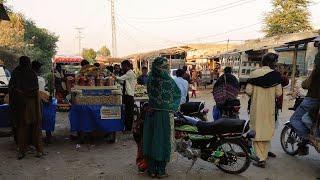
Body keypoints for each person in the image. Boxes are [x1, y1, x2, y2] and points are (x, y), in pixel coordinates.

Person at [143, 57, 181, 178]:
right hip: (164, 115)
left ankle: (151, 169)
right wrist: (171, 106)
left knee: (151, 139)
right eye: (165, 67)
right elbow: (177, 95)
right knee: (163, 141)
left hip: (151, 114)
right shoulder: (168, 81)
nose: (167, 69)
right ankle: (160, 171)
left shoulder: (150, 78)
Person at [246, 53, 282, 168]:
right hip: (269, 108)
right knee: (266, 131)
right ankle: (264, 156)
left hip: (256, 108)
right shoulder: (276, 75)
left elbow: (248, 91)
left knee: (256, 131)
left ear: (263, 62)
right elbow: (279, 93)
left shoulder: (254, 74)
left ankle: (260, 158)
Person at [9, 56, 44, 159]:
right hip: (31, 104)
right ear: (28, 63)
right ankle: (39, 150)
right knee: (35, 127)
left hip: (20, 105)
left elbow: (11, 88)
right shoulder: (31, 73)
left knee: (22, 128)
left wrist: (19, 93)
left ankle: (22, 151)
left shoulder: (16, 72)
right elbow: (35, 89)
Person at [290, 51, 320, 155]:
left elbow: (306, 84)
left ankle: (309, 138)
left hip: (311, 99)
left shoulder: (316, 71)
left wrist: (303, 83)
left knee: (295, 119)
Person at [32, 61, 52, 143]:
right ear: (38, 68)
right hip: (37, 101)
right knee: (45, 117)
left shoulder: (30, 77)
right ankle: (46, 136)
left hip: (31, 100)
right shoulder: (39, 79)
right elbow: (41, 92)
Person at [114, 60, 137, 132]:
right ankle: (127, 127)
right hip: (127, 95)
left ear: (126, 65)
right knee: (127, 112)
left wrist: (113, 76)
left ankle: (128, 129)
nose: (122, 68)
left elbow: (120, 78)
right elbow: (121, 81)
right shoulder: (127, 73)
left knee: (129, 113)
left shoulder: (130, 73)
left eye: (122, 66)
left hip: (129, 96)